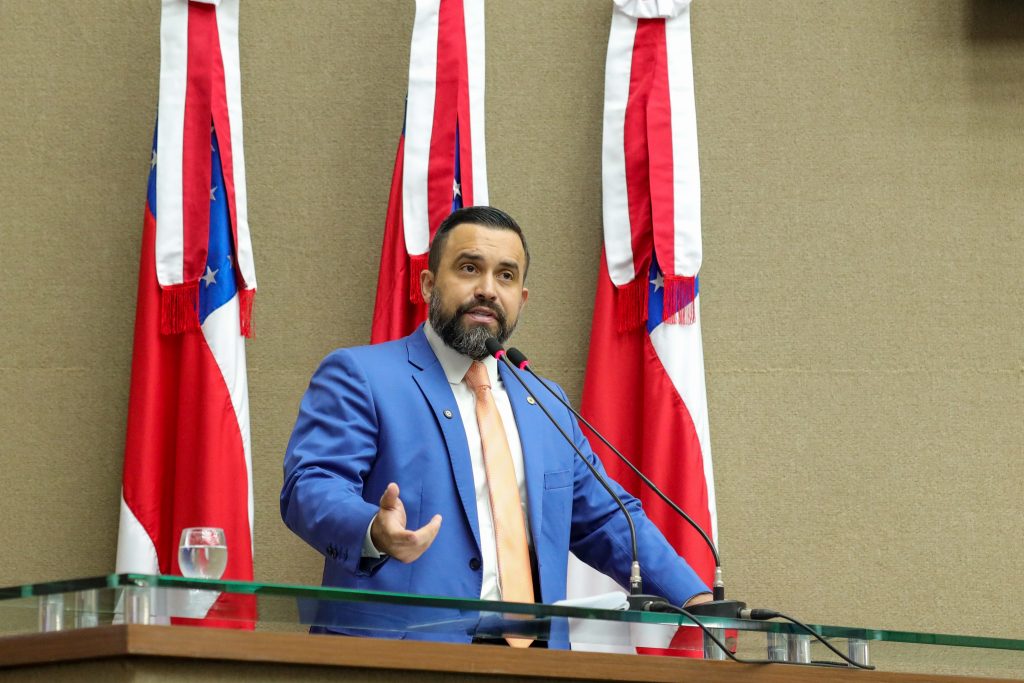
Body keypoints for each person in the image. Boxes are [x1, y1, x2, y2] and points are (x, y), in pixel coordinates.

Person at [281, 206, 709, 647]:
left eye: (506, 276)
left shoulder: (547, 403)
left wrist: (693, 597)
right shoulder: (362, 376)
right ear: (428, 284)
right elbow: (310, 485)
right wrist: (372, 527)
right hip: (401, 657)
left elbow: (606, 520)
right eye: (469, 268)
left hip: (534, 663)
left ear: (521, 299)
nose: (487, 289)